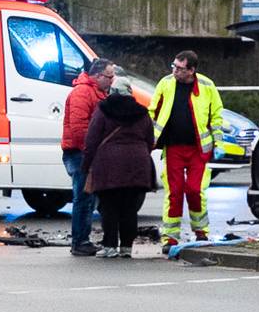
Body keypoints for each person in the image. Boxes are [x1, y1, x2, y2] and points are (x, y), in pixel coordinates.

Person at [147, 50, 226, 245]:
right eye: (173, 66)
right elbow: (152, 111)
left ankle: (201, 231)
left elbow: (216, 115)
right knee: (174, 192)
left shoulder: (207, 86)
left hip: (198, 150)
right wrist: (149, 138)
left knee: (194, 190)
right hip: (173, 147)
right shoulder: (166, 83)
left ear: (191, 70)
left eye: (180, 68)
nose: (175, 71)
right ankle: (170, 237)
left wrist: (219, 143)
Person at [81, 77, 159, 258]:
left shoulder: (103, 109)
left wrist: (86, 165)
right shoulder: (142, 112)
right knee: (130, 208)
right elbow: (149, 140)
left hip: (108, 165)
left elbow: (92, 139)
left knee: (109, 207)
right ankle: (126, 246)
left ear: (112, 91)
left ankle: (109, 246)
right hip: (137, 165)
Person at [61, 59, 111, 255]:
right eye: (109, 76)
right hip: (81, 153)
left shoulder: (95, 92)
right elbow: (79, 129)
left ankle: (82, 240)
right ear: (98, 76)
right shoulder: (83, 93)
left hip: (86, 152)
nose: (111, 80)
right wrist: (91, 153)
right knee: (83, 198)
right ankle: (80, 242)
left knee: (87, 198)